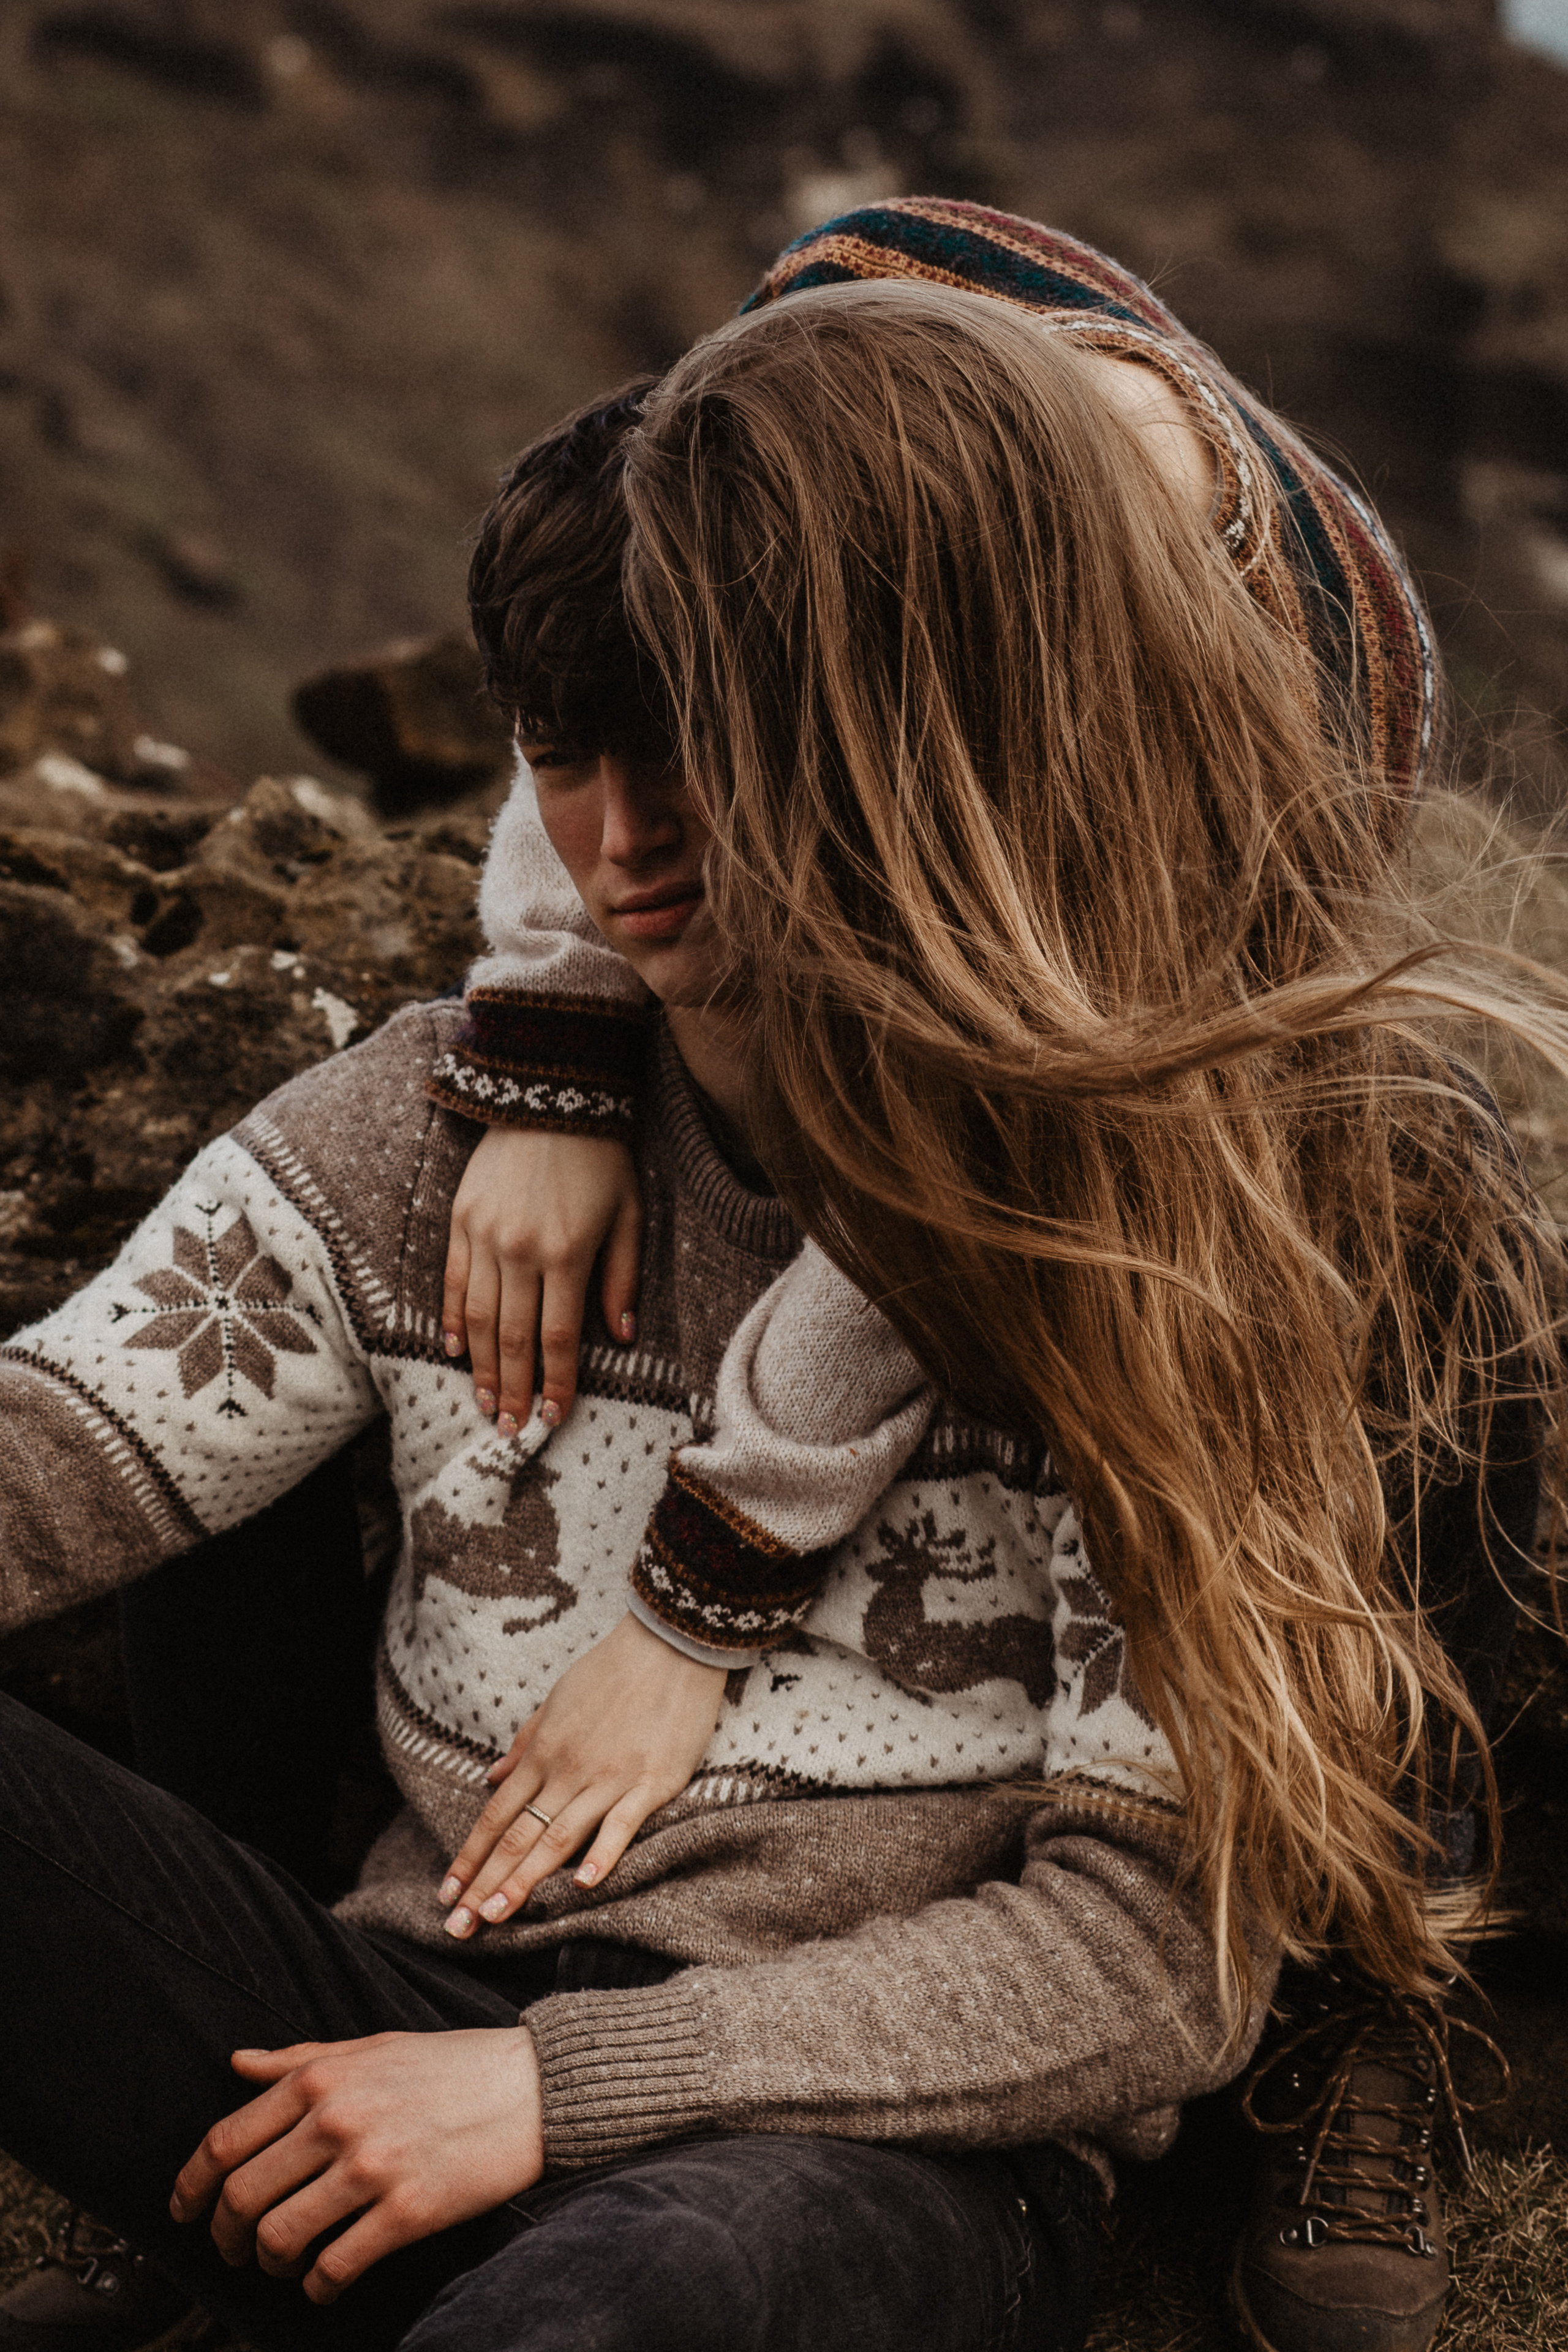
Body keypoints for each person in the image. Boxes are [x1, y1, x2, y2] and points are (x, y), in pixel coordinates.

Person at [0, 220, 1553, 2352]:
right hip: (386, 2030)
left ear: (899, 743)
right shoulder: (432, 1112)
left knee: (660, 2288)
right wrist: (550, 1058)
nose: (630, 846)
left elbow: (1139, 1964)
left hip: (839, 2147)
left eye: (715, 752)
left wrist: (563, 2074)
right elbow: (55, 1453)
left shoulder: (1175, 1234)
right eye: (569, 761)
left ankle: (1376, 1996)